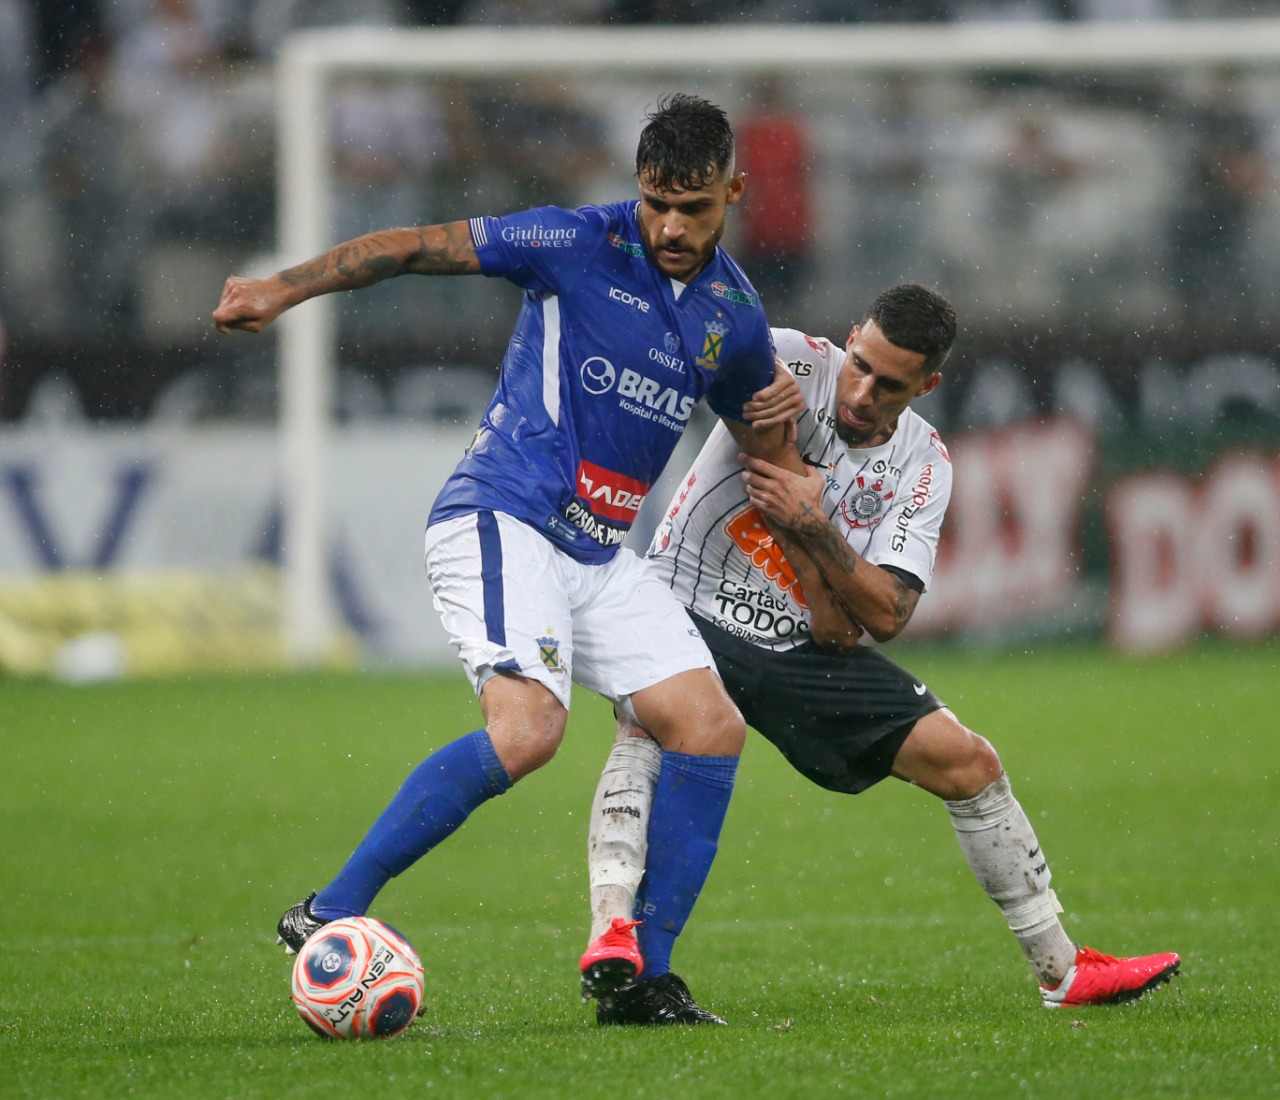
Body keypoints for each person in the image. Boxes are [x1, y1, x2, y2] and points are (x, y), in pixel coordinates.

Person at [212, 94, 804, 1024]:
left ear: (734, 191)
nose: (672, 226)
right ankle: (329, 908)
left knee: (710, 726)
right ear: (636, 188)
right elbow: (412, 245)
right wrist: (281, 289)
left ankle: (641, 979)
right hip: (505, 515)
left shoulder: (734, 312)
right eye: (656, 202)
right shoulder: (572, 244)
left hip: (600, 554)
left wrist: (788, 443)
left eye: (695, 208)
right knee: (530, 731)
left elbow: (762, 445)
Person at [584, 284, 1179, 1024]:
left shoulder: (924, 463)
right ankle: (614, 932)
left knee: (970, 763)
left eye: (890, 383)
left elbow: (886, 612)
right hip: (681, 600)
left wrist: (815, 526)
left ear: (927, 384)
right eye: (860, 365)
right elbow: (669, 351)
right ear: (850, 336)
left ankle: (1062, 969)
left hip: (795, 641)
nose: (862, 392)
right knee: (646, 724)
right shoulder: (786, 359)